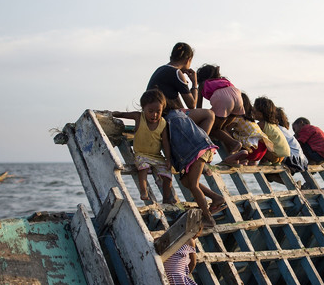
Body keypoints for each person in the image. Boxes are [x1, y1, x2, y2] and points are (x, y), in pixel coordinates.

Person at [163, 100, 228, 230]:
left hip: (197, 150)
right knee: (186, 182)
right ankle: (217, 198)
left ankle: (208, 218)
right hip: (202, 148)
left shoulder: (168, 120)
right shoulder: (180, 113)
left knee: (193, 185)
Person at [112, 90, 176, 205]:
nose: (154, 115)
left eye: (158, 111)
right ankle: (143, 191)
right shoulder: (139, 117)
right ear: (143, 109)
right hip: (141, 154)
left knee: (167, 175)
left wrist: (168, 158)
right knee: (143, 168)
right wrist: (111, 114)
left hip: (157, 156)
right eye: (150, 111)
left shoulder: (163, 123)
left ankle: (167, 198)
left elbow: (165, 142)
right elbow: (122, 114)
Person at [146, 43, 214, 134]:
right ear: (188, 60)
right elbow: (192, 104)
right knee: (209, 115)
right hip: (167, 116)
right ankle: (201, 145)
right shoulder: (177, 73)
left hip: (155, 114)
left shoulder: (161, 69)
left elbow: (179, 105)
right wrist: (194, 83)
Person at [195, 64, 245, 152]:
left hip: (224, 99)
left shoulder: (203, 84)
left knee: (214, 129)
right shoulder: (224, 80)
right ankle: (233, 154)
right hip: (238, 97)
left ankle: (234, 143)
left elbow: (198, 107)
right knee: (222, 129)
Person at [219, 94, 269, 166]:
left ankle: (232, 157)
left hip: (252, 150)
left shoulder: (237, 117)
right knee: (240, 135)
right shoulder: (251, 119)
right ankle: (244, 160)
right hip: (261, 150)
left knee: (225, 134)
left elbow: (226, 129)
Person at [252, 96, 290, 164]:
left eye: (254, 111)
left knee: (254, 141)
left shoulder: (261, 124)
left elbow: (250, 135)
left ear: (260, 114)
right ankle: (265, 161)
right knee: (265, 139)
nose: (252, 112)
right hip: (283, 156)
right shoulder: (273, 125)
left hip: (274, 155)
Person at [277, 108, 309, 174]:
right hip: (303, 160)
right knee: (269, 175)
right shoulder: (284, 130)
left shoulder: (275, 128)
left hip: (294, 160)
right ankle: (296, 184)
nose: (295, 132)